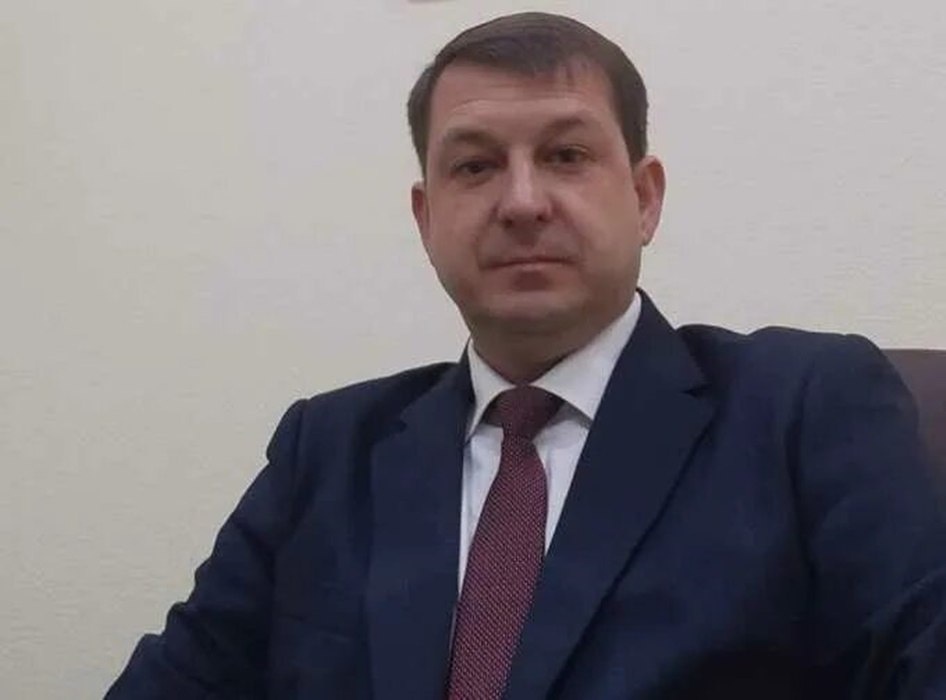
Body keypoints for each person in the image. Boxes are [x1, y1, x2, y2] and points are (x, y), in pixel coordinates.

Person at [107, 12, 946, 699]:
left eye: (566, 156)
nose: (521, 202)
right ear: (425, 217)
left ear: (644, 198)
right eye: (475, 166)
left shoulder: (805, 407)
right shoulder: (324, 451)